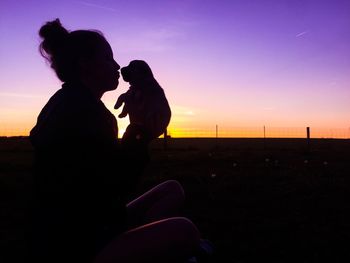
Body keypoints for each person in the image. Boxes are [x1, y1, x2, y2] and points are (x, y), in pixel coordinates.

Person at [29, 18, 208, 263]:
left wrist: (138, 133)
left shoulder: (65, 103)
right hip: (79, 245)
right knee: (185, 230)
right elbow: (116, 184)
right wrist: (140, 131)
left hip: (87, 222)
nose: (116, 65)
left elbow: (100, 181)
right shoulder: (89, 113)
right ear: (85, 64)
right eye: (108, 58)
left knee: (171, 189)